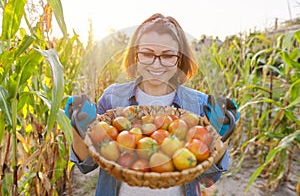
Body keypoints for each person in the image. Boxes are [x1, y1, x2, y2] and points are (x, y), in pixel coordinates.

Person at [65, 13, 240, 196]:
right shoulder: (113, 97)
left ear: (179, 59)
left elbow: (209, 174)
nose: (157, 64)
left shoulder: (200, 104)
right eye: (147, 54)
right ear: (135, 55)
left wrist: (221, 136)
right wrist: (80, 128)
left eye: (167, 55)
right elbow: (87, 164)